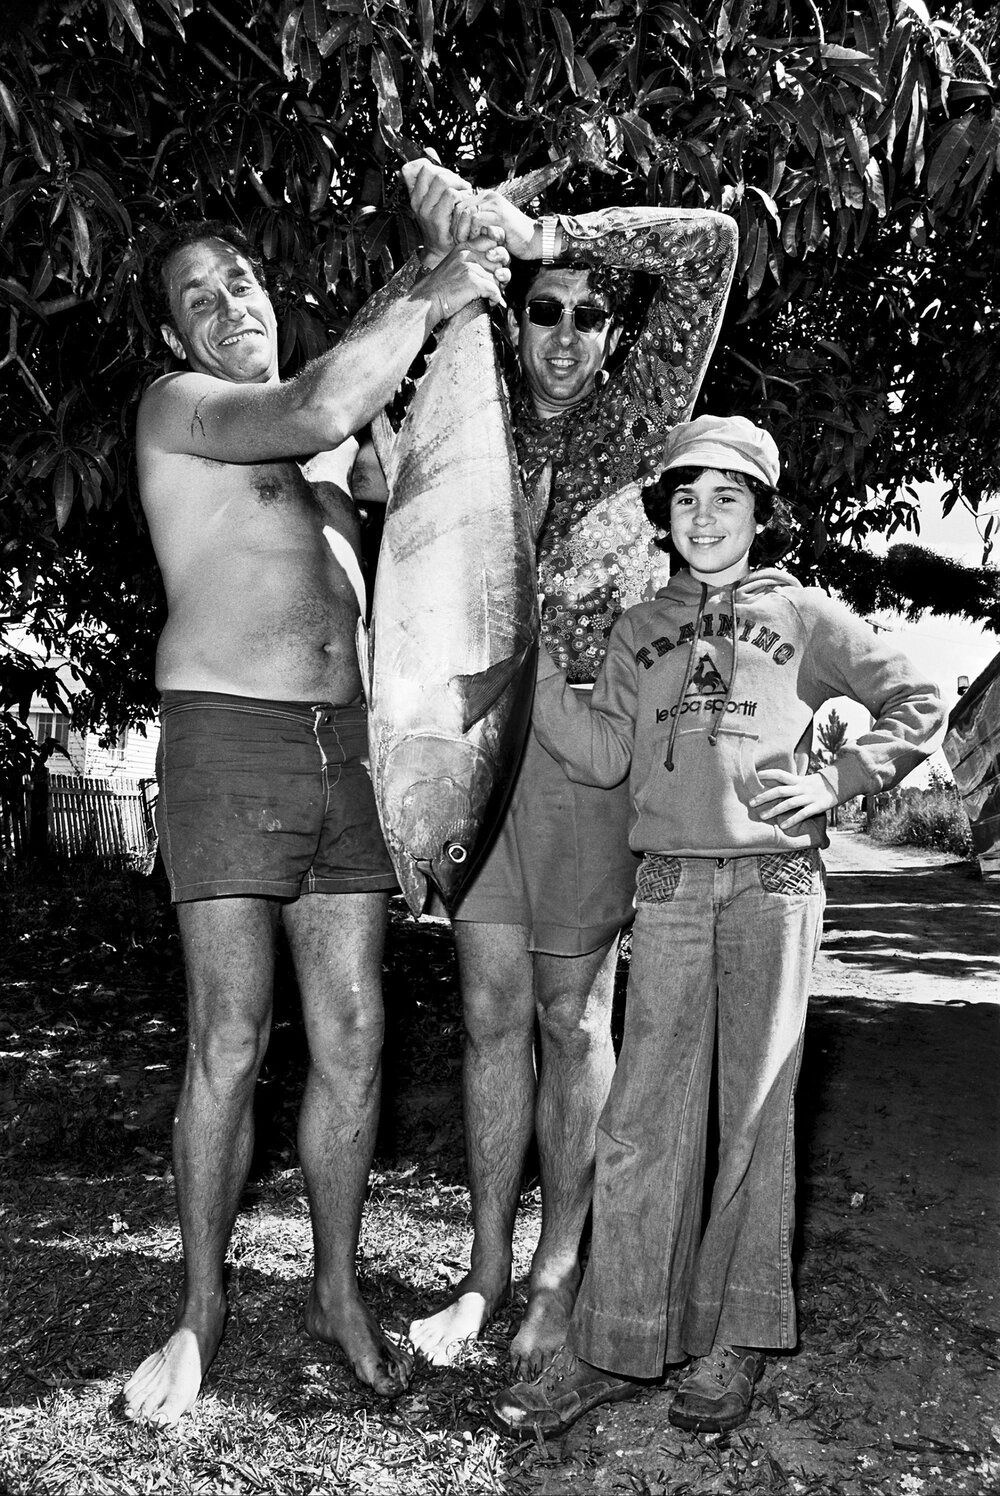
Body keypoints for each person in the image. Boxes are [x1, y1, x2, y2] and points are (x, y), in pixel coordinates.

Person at [120, 215, 510, 1426]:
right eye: (198, 296)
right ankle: (200, 1305)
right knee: (229, 1037)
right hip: (227, 733)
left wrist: (459, 295)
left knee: (355, 1033)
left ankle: (336, 1285)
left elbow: (432, 478)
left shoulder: (347, 439)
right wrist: (430, 281)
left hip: (347, 746)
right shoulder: (187, 407)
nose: (226, 303)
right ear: (174, 332)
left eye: (240, 280)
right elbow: (315, 406)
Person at [491, 415, 946, 1438]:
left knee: (753, 1109)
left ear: (762, 512)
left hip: (774, 880)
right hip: (670, 887)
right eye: (686, 498)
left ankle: (734, 1337)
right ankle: (614, 1337)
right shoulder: (633, 626)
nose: (704, 516)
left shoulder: (805, 611)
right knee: (641, 1114)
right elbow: (605, 753)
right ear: (664, 515)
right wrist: (524, 674)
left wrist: (840, 778)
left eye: (727, 497)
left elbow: (917, 693)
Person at [394, 162, 739, 1373]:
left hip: (589, 754)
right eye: (546, 304)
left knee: (567, 1016)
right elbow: (402, 323)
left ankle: (558, 1265)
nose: (565, 335)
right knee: (488, 1011)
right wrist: (445, 226)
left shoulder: (637, 426)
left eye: (591, 313)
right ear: (519, 313)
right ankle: (486, 1268)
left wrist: (548, 230)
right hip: (470, 749)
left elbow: (709, 238)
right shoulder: (464, 401)